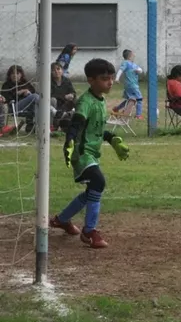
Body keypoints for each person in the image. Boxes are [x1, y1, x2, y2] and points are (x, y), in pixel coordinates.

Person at [48, 59, 130, 249]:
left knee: (92, 190)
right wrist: (68, 142)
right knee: (99, 183)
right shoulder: (86, 101)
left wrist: (111, 139)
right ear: (91, 80)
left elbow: (96, 130)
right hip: (82, 153)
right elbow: (76, 124)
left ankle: (62, 219)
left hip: (92, 154)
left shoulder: (100, 101)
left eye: (111, 78)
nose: (110, 82)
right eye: (104, 79)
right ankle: (89, 231)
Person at [2, 65, 39, 132]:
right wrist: (17, 93)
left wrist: (27, 92)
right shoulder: (6, 85)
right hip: (13, 108)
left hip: (28, 108)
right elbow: (5, 99)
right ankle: (53, 111)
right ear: (9, 75)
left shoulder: (26, 83)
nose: (15, 75)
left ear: (21, 75)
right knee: (34, 97)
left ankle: (31, 126)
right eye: (12, 73)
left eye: (17, 73)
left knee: (35, 101)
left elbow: (36, 95)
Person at [114, 49, 144, 119]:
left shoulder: (134, 64)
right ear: (130, 56)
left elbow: (140, 70)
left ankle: (117, 108)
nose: (134, 56)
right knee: (139, 99)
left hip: (132, 85)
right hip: (131, 85)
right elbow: (120, 70)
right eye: (133, 55)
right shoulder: (126, 63)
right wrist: (117, 78)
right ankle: (138, 115)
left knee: (129, 100)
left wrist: (138, 70)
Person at [50, 62, 77, 128]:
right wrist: (64, 96)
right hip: (54, 105)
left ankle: (74, 121)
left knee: (77, 100)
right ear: (50, 72)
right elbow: (50, 95)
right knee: (53, 100)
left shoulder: (66, 81)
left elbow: (73, 92)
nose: (56, 71)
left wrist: (72, 95)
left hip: (65, 104)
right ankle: (52, 124)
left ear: (62, 70)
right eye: (53, 70)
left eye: (58, 69)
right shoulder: (48, 81)